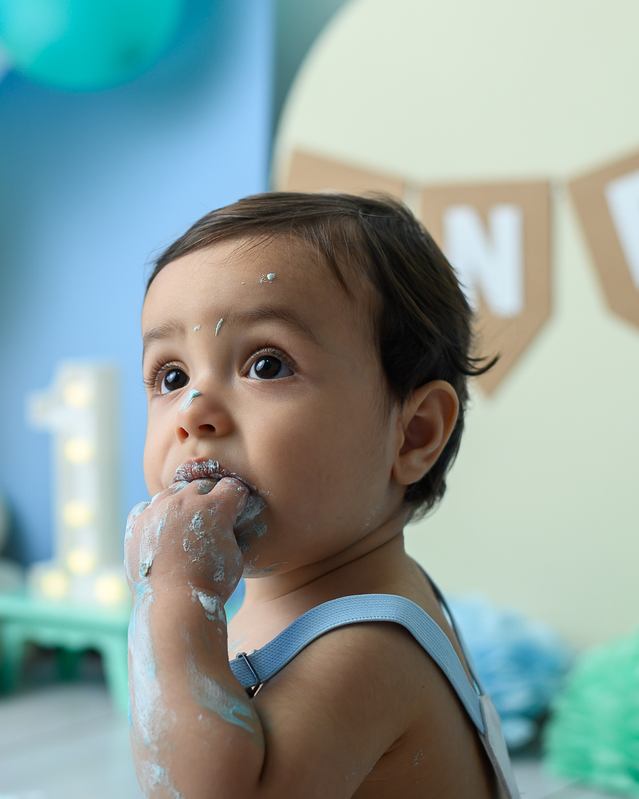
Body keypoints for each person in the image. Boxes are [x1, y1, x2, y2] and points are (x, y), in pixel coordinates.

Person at [124, 191, 519, 798]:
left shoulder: (368, 648)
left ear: (412, 434)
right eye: (170, 376)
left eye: (266, 365)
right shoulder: (316, 592)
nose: (193, 411)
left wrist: (172, 600)